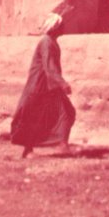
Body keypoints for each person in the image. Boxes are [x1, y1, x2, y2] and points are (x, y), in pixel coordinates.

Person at [10, 13, 75, 158]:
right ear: (55, 27)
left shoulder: (51, 42)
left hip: (49, 85)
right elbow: (49, 67)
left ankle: (62, 145)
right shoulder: (46, 42)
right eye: (62, 25)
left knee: (66, 112)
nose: (64, 27)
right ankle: (30, 150)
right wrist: (62, 83)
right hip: (39, 85)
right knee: (34, 116)